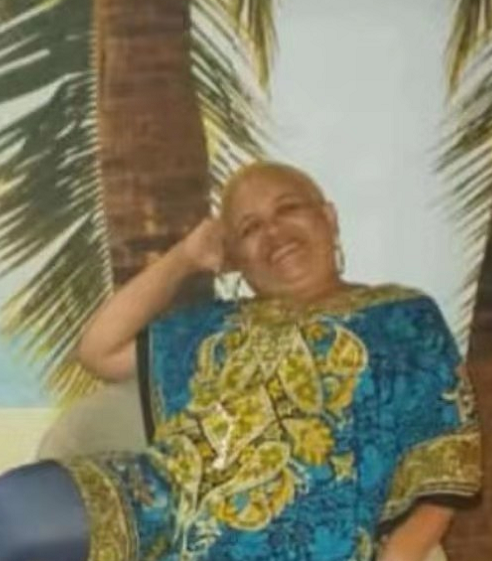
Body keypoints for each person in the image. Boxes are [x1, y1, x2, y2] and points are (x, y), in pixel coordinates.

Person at [0, 162, 482, 561]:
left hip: (310, 533)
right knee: (15, 513)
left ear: (329, 217)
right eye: (249, 228)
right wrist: (187, 256)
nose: (273, 232)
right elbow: (98, 350)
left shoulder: (402, 315)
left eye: (288, 208)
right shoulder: (211, 325)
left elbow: (445, 460)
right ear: (235, 257)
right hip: (163, 503)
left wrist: (399, 556)